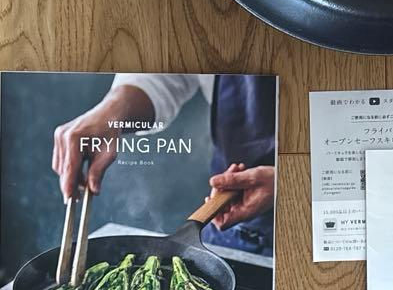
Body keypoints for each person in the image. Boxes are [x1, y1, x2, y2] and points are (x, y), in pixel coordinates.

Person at [51, 73, 276, 256]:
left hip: (297, 227)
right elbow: (168, 70)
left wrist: (285, 181)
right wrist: (111, 111)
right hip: (226, 223)